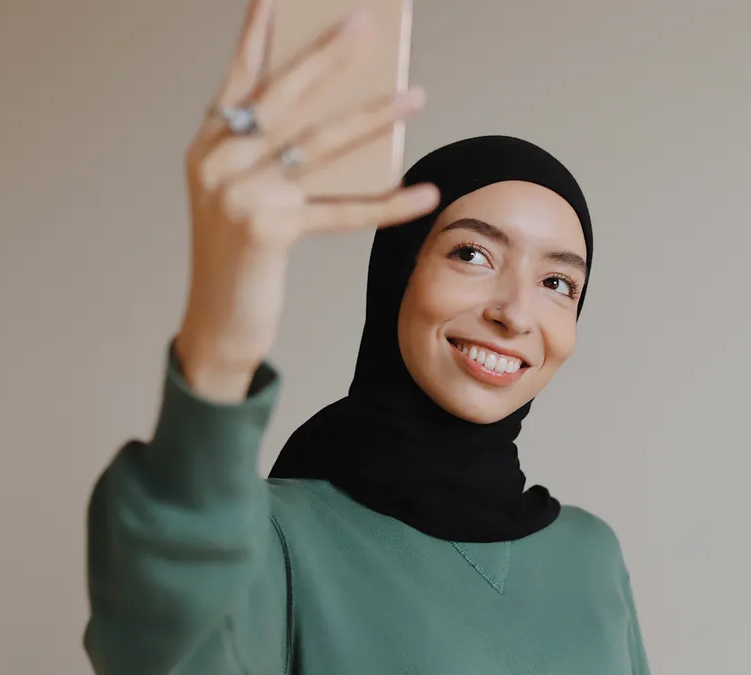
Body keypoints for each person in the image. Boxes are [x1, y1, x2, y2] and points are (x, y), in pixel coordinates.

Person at [83, 1, 649, 673]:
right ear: (397, 274)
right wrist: (223, 331)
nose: (517, 313)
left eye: (559, 283)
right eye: (473, 254)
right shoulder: (273, 536)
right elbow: (160, 642)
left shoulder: (590, 557)